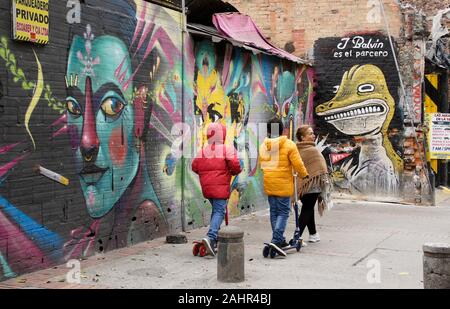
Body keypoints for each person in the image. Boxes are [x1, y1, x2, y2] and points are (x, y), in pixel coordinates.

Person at [259, 117, 308, 256]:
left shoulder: (263, 146)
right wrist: (304, 174)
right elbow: (298, 164)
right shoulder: (289, 144)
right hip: (283, 185)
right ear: (282, 129)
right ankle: (276, 239)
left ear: (268, 130)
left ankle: (279, 240)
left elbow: (262, 166)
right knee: (284, 212)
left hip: (269, 183)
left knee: (274, 212)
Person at [192, 122, 242, 256]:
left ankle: (214, 239)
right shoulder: (226, 149)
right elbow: (235, 165)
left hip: (207, 188)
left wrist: (205, 175)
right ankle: (211, 236)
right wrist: (233, 171)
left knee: (216, 211)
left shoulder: (202, 150)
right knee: (220, 211)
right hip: (220, 187)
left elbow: (194, 166)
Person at [295, 125, 331, 244]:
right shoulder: (313, 150)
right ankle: (297, 237)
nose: (313, 135)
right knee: (307, 210)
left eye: (313, 133)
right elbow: (321, 167)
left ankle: (313, 234)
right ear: (302, 137)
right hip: (313, 184)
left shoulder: (296, 149)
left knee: (308, 209)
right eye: (310, 133)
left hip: (302, 184)